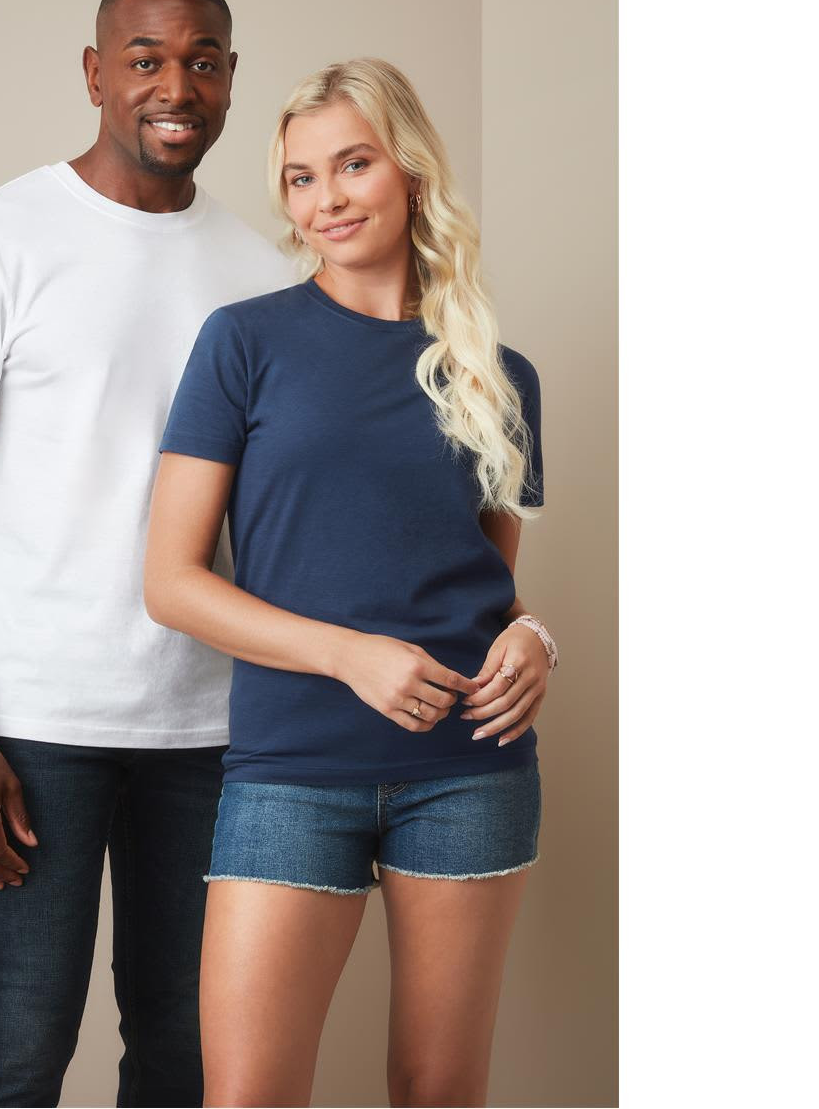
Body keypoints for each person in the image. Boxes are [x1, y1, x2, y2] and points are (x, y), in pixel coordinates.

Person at [0, 0, 295, 1108]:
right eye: (148, 58)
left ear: (228, 80)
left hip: (216, 732)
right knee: (15, 1061)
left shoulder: (264, 276)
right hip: (35, 730)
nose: (178, 85)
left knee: (186, 1057)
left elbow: (280, 518)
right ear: (95, 73)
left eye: (205, 60)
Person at [144, 57, 559, 1108]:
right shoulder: (244, 344)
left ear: (411, 171)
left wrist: (533, 639)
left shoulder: (502, 377)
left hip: (471, 768)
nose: (325, 199)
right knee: (247, 1097)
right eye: (298, 178)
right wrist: (348, 655)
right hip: (290, 765)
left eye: (353, 164)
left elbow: (483, 585)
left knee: (436, 1091)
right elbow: (172, 582)